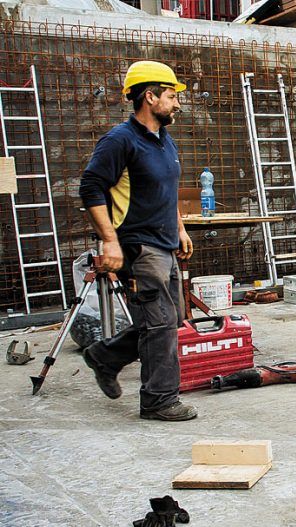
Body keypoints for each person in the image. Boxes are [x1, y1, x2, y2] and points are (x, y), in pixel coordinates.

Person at [79, 60, 197, 421]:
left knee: (170, 318)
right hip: (138, 245)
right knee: (159, 322)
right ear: (150, 96)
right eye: (172, 96)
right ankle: (159, 400)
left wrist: (179, 228)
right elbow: (90, 187)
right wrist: (109, 242)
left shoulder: (164, 140)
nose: (177, 104)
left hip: (164, 242)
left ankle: (105, 356)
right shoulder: (120, 140)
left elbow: (167, 189)